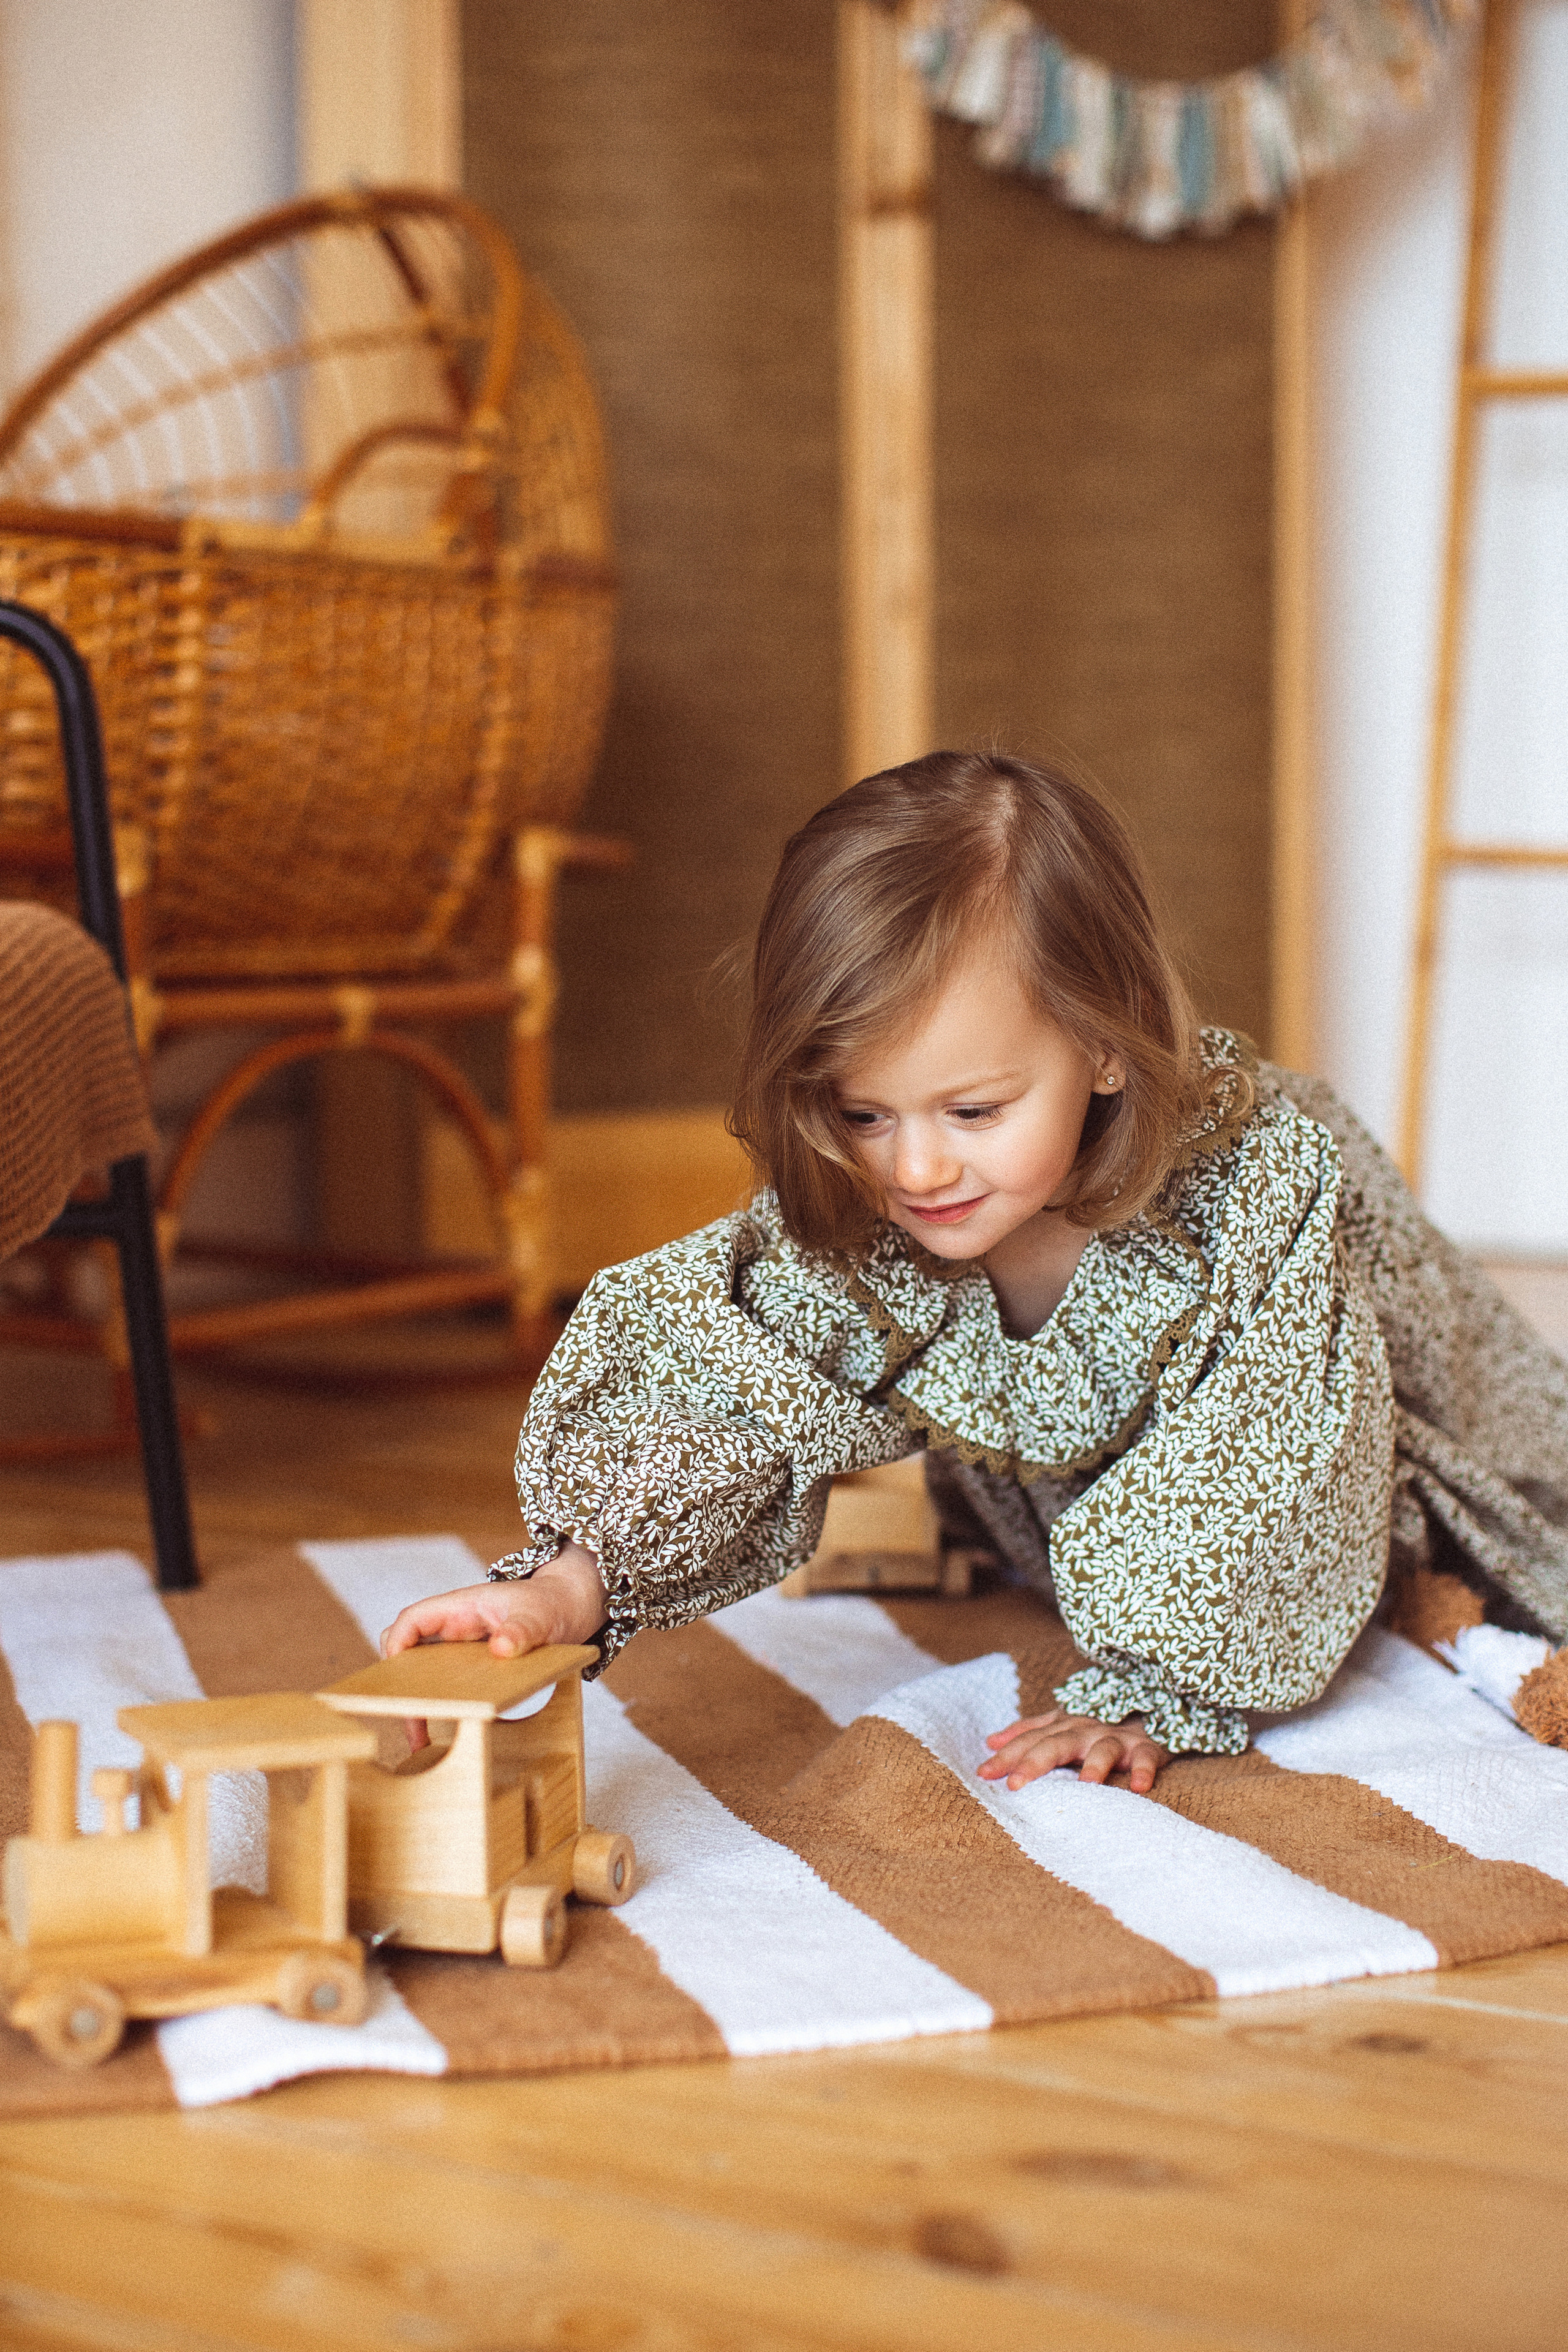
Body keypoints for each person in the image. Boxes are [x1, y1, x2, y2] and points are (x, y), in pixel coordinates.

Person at [383, 751, 1568, 1789]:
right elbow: (728, 1389)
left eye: (973, 1108)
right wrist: (565, 1588)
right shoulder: (875, 1208)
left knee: (1484, 1549)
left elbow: (1273, 1464)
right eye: (864, 1111)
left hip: (1373, 1433)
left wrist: (1154, 1687)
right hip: (1101, 1481)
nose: (920, 1164)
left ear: (1107, 1045)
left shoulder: (1251, 1193)